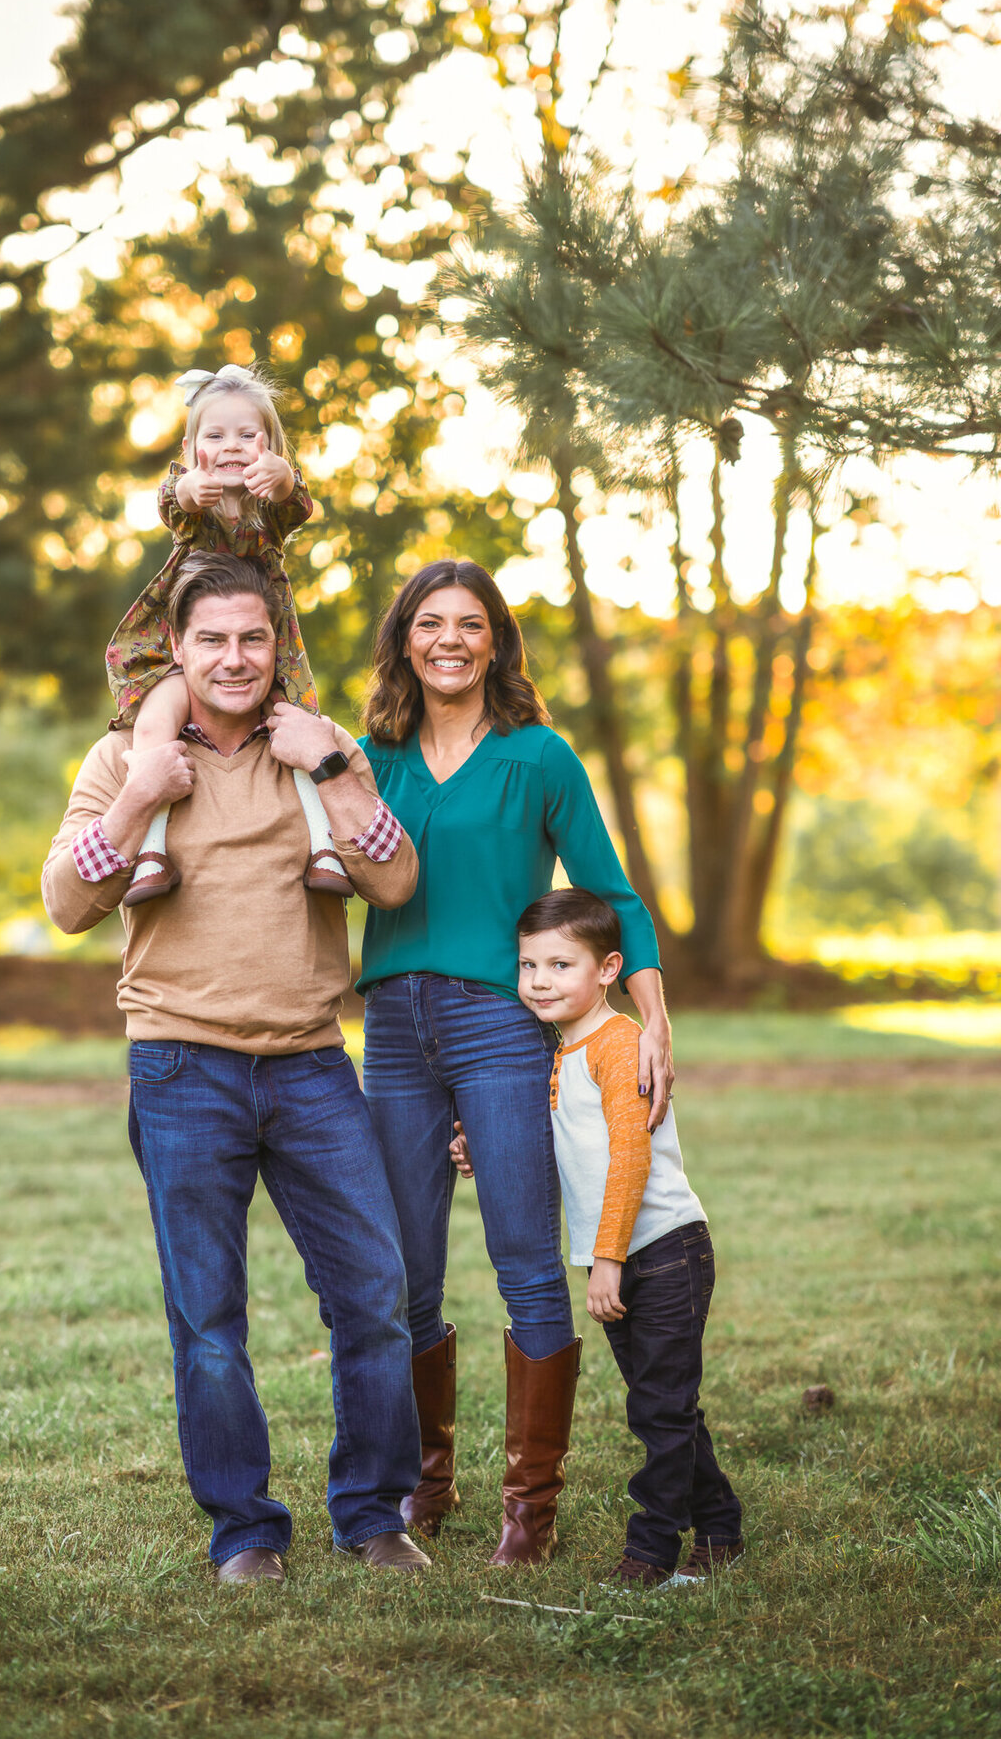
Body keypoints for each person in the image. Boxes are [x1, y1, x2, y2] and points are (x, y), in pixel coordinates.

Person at [43, 552, 429, 1585]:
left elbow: (392, 877)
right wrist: (135, 804)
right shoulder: (127, 755)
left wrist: (339, 770)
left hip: (310, 1065)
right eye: (210, 638)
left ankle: (373, 1512)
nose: (233, 657)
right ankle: (246, 1530)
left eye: (252, 637)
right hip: (180, 1068)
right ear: (176, 648)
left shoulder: (319, 749)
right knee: (209, 1316)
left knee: (375, 1294)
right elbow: (66, 903)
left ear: (279, 646)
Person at [356, 558, 674, 1567]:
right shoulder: (370, 756)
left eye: (471, 623)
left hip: (499, 1023)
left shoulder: (538, 756)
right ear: (404, 638)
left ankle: (528, 1511)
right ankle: (424, 1482)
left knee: (526, 1266)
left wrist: (653, 1015)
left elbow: (613, 891)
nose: (449, 639)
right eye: (430, 623)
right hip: (394, 1033)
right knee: (403, 1274)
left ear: (497, 641)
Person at [473, 887, 744, 1589]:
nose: (539, 980)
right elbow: (562, 1130)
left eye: (561, 965)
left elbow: (630, 1157)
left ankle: (650, 1552)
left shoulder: (620, 1044)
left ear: (607, 968)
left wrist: (607, 1259)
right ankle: (721, 1526)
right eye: (529, 964)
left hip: (662, 1251)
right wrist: (478, 1139)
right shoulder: (565, 1048)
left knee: (658, 1408)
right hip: (627, 1255)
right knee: (667, 1403)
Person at [105, 361, 351, 904]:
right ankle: (150, 850)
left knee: (301, 728)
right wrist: (192, 485)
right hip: (187, 647)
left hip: (266, 642)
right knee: (155, 723)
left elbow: (297, 501)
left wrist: (282, 477)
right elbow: (177, 501)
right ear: (194, 448)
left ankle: (323, 844)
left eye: (246, 435)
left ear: (269, 443)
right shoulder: (194, 498)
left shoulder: (270, 503)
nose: (232, 445)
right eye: (215, 435)